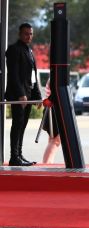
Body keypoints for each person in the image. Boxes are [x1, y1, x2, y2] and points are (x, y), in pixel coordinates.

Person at [5, 23, 42, 166]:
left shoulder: (30, 51)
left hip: (29, 94)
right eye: (26, 33)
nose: (29, 36)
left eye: (31, 34)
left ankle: (19, 154)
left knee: (23, 125)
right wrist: (21, 94)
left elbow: (33, 75)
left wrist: (37, 96)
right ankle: (14, 157)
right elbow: (13, 74)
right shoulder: (14, 49)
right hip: (18, 95)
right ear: (20, 34)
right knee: (17, 124)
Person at [42, 79, 60, 164]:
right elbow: (56, 93)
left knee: (53, 139)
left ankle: (48, 162)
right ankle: (47, 163)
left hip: (51, 108)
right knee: (56, 139)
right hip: (54, 108)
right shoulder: (57, 75)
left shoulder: (54, 75)